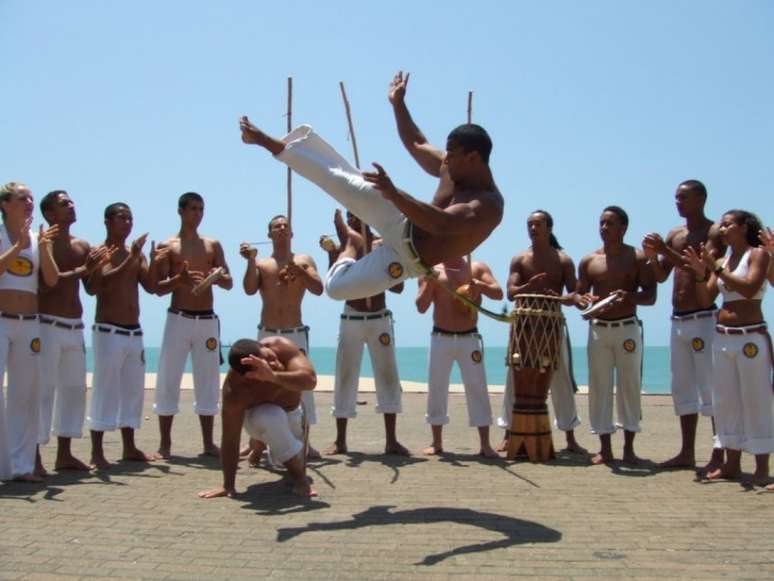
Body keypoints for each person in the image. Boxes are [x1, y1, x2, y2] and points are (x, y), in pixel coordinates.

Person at [238, 72, 503, 301]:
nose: (446, 160)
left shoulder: (488, 205)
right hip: (400, 218)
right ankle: (262, 139)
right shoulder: (451, 165)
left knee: (335, 288)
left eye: (452, 154)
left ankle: (353, 248)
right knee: (336, 179)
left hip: (407, 261)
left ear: (473, 158)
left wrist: (395, 194)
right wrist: (397, 103)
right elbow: (416, 142)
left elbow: (442, 225)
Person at [642, 180, 726, 471]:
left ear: (702, 198)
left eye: (684, 197)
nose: (678, 202)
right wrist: (654, 256)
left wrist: (666, 249)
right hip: (677, 320)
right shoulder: (675, 234)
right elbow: (662, 275)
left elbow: (704, 269)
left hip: (703, 316)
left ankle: (719, 452)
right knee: (683, 388)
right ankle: (686, 452)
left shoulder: (713, 231)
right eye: (676, 197)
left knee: (711, 388)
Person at [684, 209, 771, 485]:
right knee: (726, 401)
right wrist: (701, 273)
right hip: (722, 336)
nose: (722, 229)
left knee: (756, 399)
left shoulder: (757, 254)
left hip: (750, 338)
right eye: (721, 225)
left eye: (728, 224)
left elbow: (748, 288)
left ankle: (761, 468)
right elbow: (705, 297)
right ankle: (731, 463)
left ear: (744, 227)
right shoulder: (722, 259)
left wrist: (717, 268)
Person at [497, 210, 587, 454]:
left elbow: (574, 293)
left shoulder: (563, 260)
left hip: (551, 326)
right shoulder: (520, 258)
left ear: (549, 228)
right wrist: (530, 286)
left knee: (561, 380)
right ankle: (508, 433)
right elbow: (511, 292)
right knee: (514, 378)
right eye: (529, 224)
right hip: (524, 327)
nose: (532, 228)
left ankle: (569, 437)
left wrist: (566, 298)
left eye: (537, 224)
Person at [36, 190, 112, 475]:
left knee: (73, 391)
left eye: (71, 202)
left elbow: (91, 288)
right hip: (46, 324)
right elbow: (45, 286)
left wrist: (97, 268)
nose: (71, 206)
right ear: (50, 214)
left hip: (74, 327)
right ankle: (34, 455)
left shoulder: (82, 245)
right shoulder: (40, 244)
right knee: (43, 391)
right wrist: (84, 268)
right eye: (64, 204)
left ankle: (64, 454)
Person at [152, 192, 233, 458]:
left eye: (201, 209)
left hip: (207, 320)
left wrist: (215, 276)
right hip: (178, 317)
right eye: (193, 209)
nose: (197, 214)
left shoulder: (213, 245)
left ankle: (208, 443)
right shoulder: (169, 245)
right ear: (181, 211)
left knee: (208, 380)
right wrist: (180, 279)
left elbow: (229, 281)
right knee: (168, 378)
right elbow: (159, 288)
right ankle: (165, 444)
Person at [322, 210, 409, 456]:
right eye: (350, 217)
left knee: (388, 376)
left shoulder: (383, 245)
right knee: (345, 376)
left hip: (379, 318)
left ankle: (391, 440)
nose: (353, 220)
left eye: (357, 213)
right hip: (352, 317)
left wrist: (387, 265)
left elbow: (399, 286)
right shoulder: (345, 248)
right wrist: (332, 254)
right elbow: (334, 282)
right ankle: (340, 441)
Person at [576, 206, 656, 465]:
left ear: (623, 228)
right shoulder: (589, 261)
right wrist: (583, 299)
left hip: (627, 328)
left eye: (610, 223)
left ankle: (629, 448)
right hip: (599, 329)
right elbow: (580, 296)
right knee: (599, 386)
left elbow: (650, 296)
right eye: (601, 223)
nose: (604, 228)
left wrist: (628, 296)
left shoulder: (638, 257)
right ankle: (605, 448)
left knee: (629, 385)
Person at [85, 203, 163, 469]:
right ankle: (97, 451)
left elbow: (152, 287)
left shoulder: (135, 254)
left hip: (134, 331)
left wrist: (154, 260)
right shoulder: (99, 252)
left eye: (130, 218)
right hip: (109, 330)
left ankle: (129, 447)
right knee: (105, 390)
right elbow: (95, 286)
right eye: (121, 218)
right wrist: (132, 257)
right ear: (107, 221)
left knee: (132, 391)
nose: (127, 222)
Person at [240, 214, 323, 463]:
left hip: (294, 333)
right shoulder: (263, 264)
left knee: (302, 389)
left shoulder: (303, 260)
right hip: (267, 334)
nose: (282, 229)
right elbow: (249, 289)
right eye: (277, 227)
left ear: (291, 233)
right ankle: (256, 445)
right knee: (262, 387)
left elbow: (318, 289)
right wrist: (250, 261)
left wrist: (301, 272)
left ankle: (305, 443)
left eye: (286, 226)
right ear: (269, 235)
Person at [198, 337, 317, 498]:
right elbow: (230, 439)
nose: (272, 364)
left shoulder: (281, 346)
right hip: (260, 417)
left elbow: (310, 381)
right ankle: (300, 479)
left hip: (293, 413)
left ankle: (259, 444)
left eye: (269, 357)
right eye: (265, 365)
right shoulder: (236, 390)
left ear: (264, 345)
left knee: (284, 459)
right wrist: (228, 486)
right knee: (269, 416)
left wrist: (273, 376)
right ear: (248, 376)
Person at [0, 182, 59, 481]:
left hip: (30, 323)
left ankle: (21, 466)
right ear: (5, 204)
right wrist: (16, 246)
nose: (29, 202)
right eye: (23, 198)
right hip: (1, 321)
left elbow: (51, 280)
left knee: (26, 394)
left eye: (32, 198)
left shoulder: (37, 239)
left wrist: (45, 249)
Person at [416, 256, 502, 457]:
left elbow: (498, 293)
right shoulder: (431, 269)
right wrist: (429, 282)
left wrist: (480, 286)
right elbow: (421, 307)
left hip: (469, 337)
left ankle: (485, 444)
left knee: (478, 387)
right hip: (441, 337)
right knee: (437, 387)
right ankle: (436, 442)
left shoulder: (477, 267)